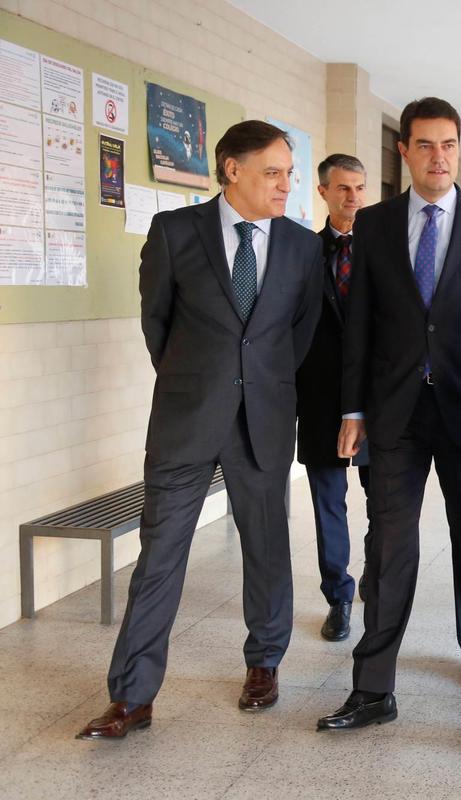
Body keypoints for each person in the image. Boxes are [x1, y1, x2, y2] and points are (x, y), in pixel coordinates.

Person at [77, 121, 324, 739]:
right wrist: (203, 381)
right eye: (273, 172)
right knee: (159, 557)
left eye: (289, 173)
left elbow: (301, 330)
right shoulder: (174, 233)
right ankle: (132, 697)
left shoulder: (301, 246)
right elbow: (156, 323)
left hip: (263, 420)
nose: (286, 185)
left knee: (266, 551)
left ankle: (264, 661)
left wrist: (256, 382)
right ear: (231, 170)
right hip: (187, 419)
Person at [317, 98, 461, 731]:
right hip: (395, 412)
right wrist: (353, 409)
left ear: (459, 149)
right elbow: (360, 328)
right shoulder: (374, 224)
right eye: (426, 145)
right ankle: (373, 686)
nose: (439, 157)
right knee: (390, 545)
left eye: (449, 145)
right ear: (403, 150)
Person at [296, 154, 370, 642]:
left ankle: (377, 580)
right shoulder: (302, 251)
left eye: (360, 188)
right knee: (328, 504)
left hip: (374, 398)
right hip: (320, 395)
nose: (353, 197)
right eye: (343, 188)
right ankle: (338, 596)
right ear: (323, 192)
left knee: (383, 500)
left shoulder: (383, 249)